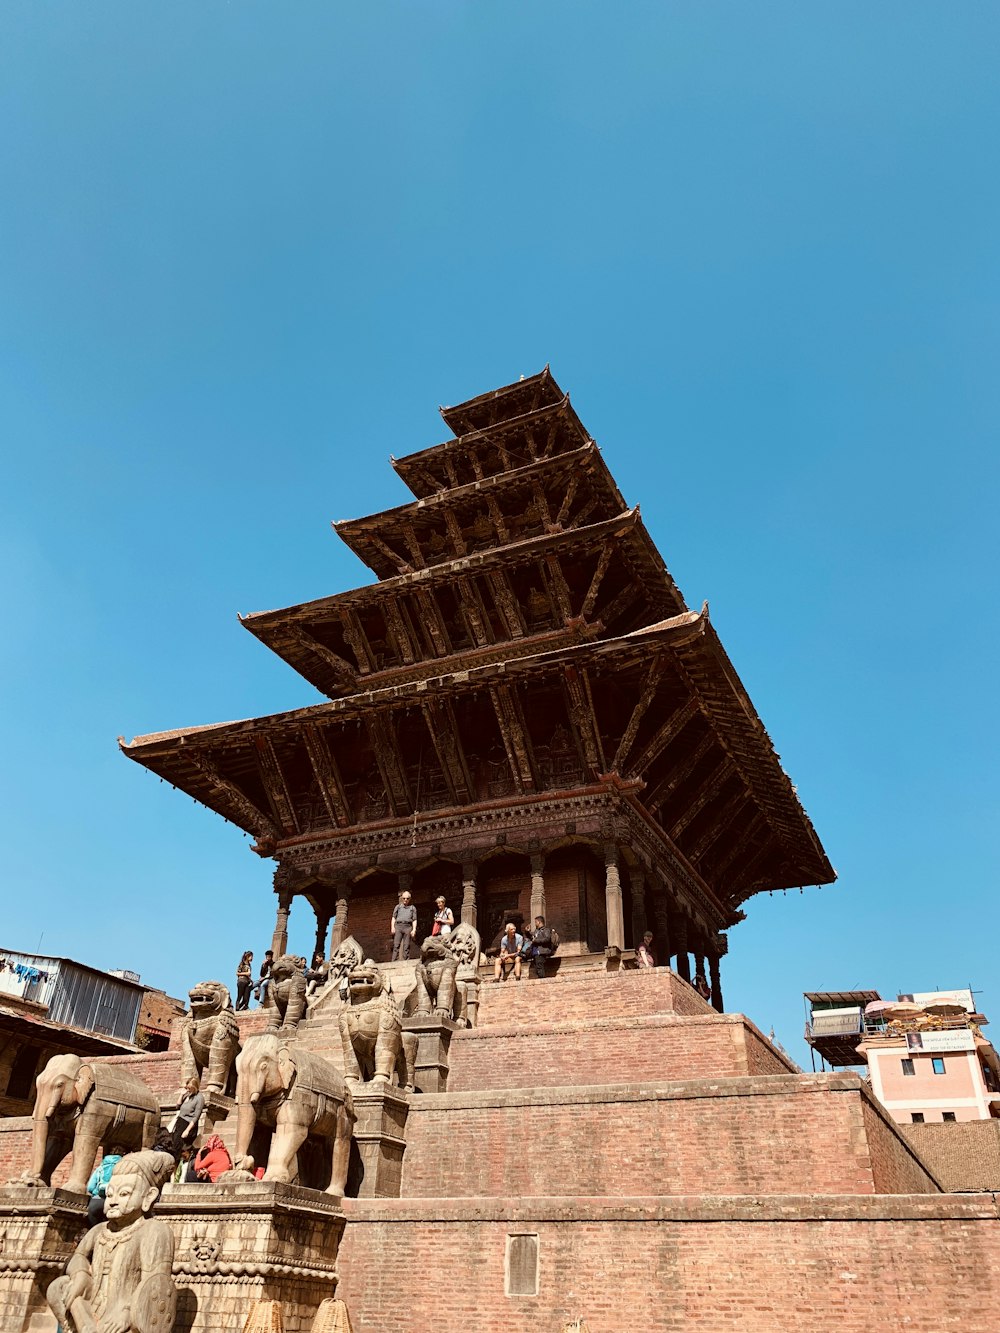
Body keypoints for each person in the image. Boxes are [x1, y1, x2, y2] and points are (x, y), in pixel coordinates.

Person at [46, 1149, 177, 1333]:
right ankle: (83, 1327)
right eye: (110, 1194)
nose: (113, 1201)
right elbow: (78, 1256)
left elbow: (155, 1284)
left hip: (123, 1311)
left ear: (148, 1196)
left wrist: (128, 1311)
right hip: (92, 1303)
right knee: (58, 1287)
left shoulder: (154, 1231)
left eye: (123, 1194)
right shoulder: (99, 1230)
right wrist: (81, 1274)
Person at [85, 1149, 123, 1227]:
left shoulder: (100, 1168)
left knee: (94, 1229)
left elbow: (90, 1187)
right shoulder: (122, 1168)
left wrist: (96, 1192)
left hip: (97, 1201)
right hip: (114, 1202)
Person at [168, 1077, 205, 1155]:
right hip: (179, 1123)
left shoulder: (199, 1098)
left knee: (180, 1147)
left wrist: (187, 1130)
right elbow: (177, 1106)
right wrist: (181, 1095)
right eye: (187, 1088)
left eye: (189, 1088)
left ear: (194, 1087)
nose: (188, 1090)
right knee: (174, 1145)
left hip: (188, 1125)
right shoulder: (187, 1095)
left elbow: (196, 1117)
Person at [390, 890, 418, 961]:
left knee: (406, 945)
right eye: (404, 898)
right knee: (396, 945)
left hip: (408, 927)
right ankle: (394, 961)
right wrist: (392, 927)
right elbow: (393, 917)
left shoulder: (412, 908)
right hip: (398, 926)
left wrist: (414, 929)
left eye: (407, 898)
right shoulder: (398, 907)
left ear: (410, 899)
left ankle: (406, 961)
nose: (405, 900)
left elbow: (414, 919)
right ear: (402, 898)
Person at [527, 915, 557, 979]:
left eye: (535, 922)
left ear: (539, 922)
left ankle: (542, 980)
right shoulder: (536, 931)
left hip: (541, 951)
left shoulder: (546, 930)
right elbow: (532, 937)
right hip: (535, 952)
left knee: (540, 967)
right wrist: (527, 932)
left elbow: (547, 939)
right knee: (537, 967)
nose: (535, 924)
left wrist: (536, 941)